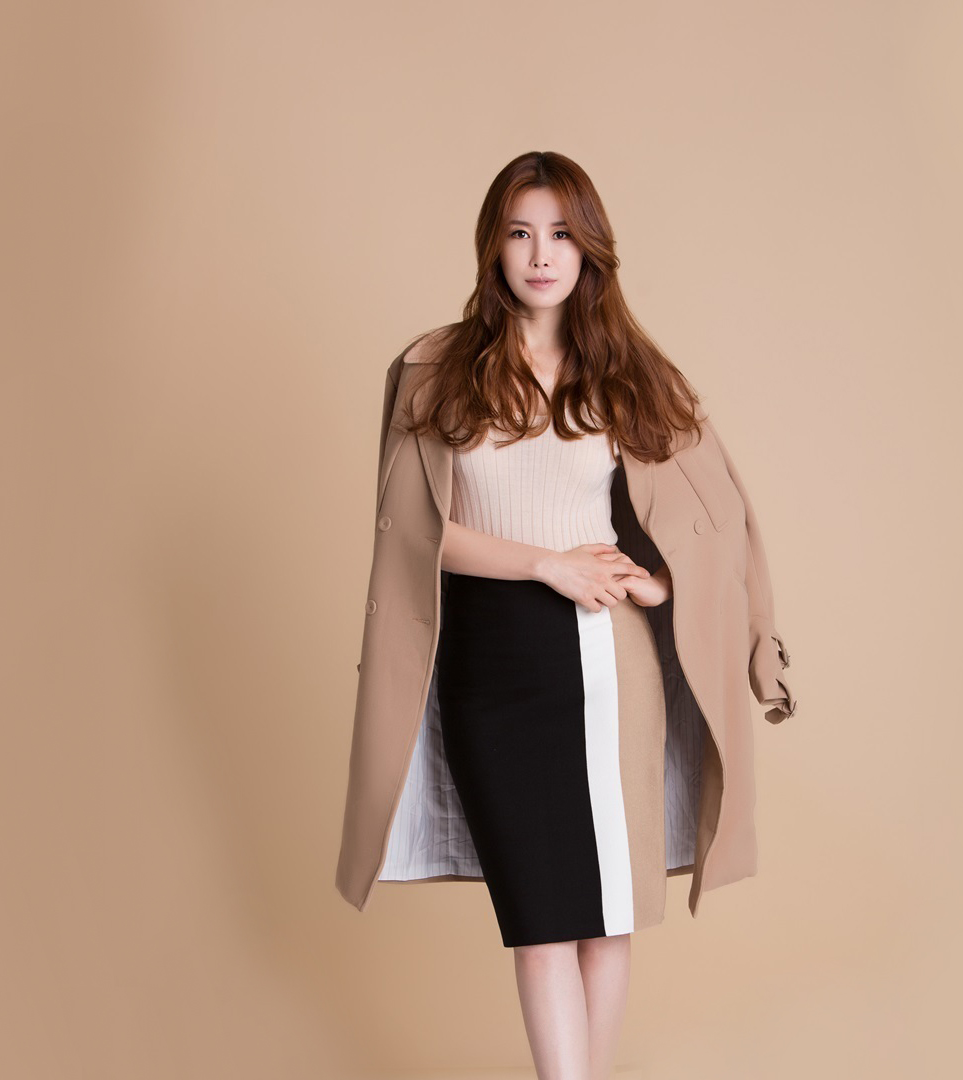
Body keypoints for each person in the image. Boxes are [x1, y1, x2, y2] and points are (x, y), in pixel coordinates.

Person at [365, 150, 756, 1080]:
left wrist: (657, 585)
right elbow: (414, 535)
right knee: (539, 919)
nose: (541, 255)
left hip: (607, 667)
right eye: (520, 233)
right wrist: (545, 563)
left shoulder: (630, 376)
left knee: (606, 915)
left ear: (589, 251)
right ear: (493, 247)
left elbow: (713, 521)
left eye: (561, 235)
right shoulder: (433, 370)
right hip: (488, 669)